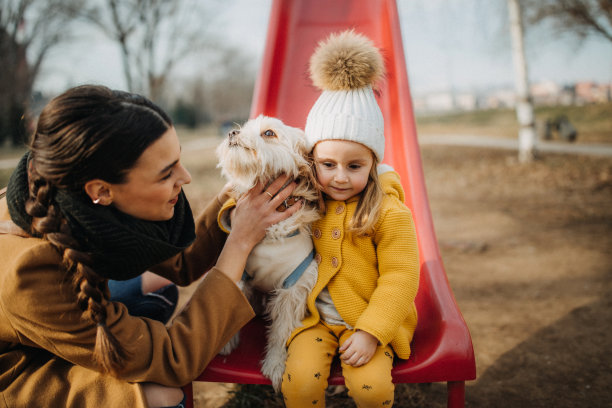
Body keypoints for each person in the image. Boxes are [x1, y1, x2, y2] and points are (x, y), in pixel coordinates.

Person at [0, 84, 300, 407]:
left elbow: (180, 264)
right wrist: (239, 240)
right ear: (101, 190)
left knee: (159, 287)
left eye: (178, 160)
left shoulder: (76, 191)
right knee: (163, 396)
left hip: (51, 323)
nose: (184, 178)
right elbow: (174, 358)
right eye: (166, 174)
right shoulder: (31, 271)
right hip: (18, 373)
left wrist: (238, 190)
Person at [280, 31, 420, 407]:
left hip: (368, 321)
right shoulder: (306, 202)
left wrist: (373, 332)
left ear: (374, 163)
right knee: (300, 386)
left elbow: (400, 276)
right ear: (312, 162)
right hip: (315, 321)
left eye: (354, 165)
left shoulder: (390, 213)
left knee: (372, 390)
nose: (339, 176)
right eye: (328, 165)